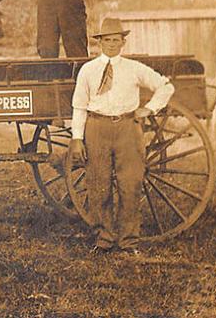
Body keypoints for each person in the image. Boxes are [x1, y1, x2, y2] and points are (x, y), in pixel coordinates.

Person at [69, 18, 174, 252]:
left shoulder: (133, 68)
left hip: (128, 128)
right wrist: (77, 138)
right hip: (97, 128)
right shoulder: (88, 70)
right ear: (99, 42)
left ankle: (129, 241)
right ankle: (104, 239)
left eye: (116, 40)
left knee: (131, 184)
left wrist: (150, 108)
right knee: (98, 185)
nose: (112, 44)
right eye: (107, 40)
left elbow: (166, 86)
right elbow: (79, 106)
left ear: (123, 42)